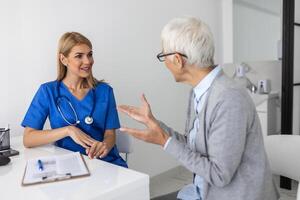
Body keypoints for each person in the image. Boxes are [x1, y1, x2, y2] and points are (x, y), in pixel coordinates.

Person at [118, 17, 279, 199]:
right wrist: (155, 125)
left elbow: (219, 175)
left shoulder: (229, 98)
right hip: (204, 190)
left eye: (163, 56)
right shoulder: (199, 91)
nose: (164, 63)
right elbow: (194, 146)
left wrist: (164, 141)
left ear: (178, 60)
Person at [22, 32, 127, 168]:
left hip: (105, 162)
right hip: (70, 165)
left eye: (90, 54)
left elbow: (110, 134)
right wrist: (68, 130)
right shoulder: (48, 91)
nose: (88, 61)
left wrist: (104, 146)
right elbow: (28, 138)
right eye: (79, 56)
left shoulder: (105, 91)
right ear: (63, 59)